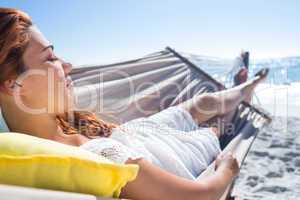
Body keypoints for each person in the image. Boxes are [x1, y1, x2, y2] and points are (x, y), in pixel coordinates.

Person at [0, 8, 268, 200]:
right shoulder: (92, 160)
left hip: (136, 134)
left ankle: (244, 87)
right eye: (50, 58)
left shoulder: (58, 121)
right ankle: (242, 90)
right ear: (13, 84)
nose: (67, 65)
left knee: (204, 101)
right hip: (165, 152)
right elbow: (199, 196)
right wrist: (227, 169)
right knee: (217, 126)